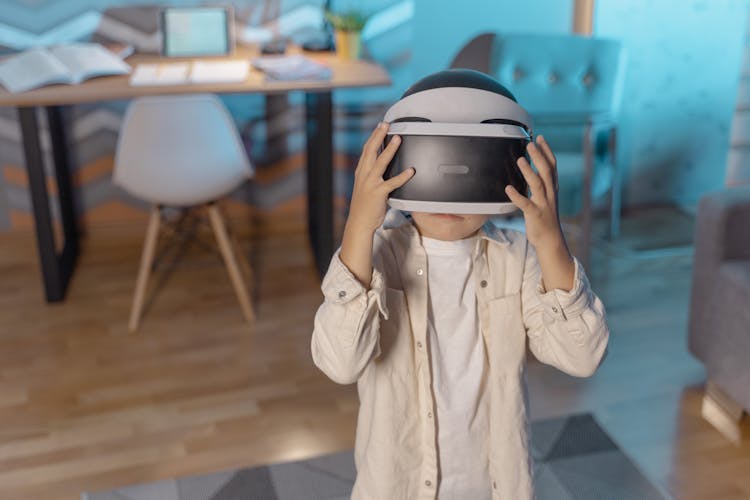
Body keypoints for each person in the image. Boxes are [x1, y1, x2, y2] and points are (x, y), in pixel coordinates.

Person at [311, 121, 609, 500]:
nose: (450, 198)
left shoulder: (518, 257)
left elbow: (582, 357)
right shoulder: (376, 255)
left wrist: (551, 240)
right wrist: (358, 226)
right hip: (395, 487)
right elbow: (340, 363)